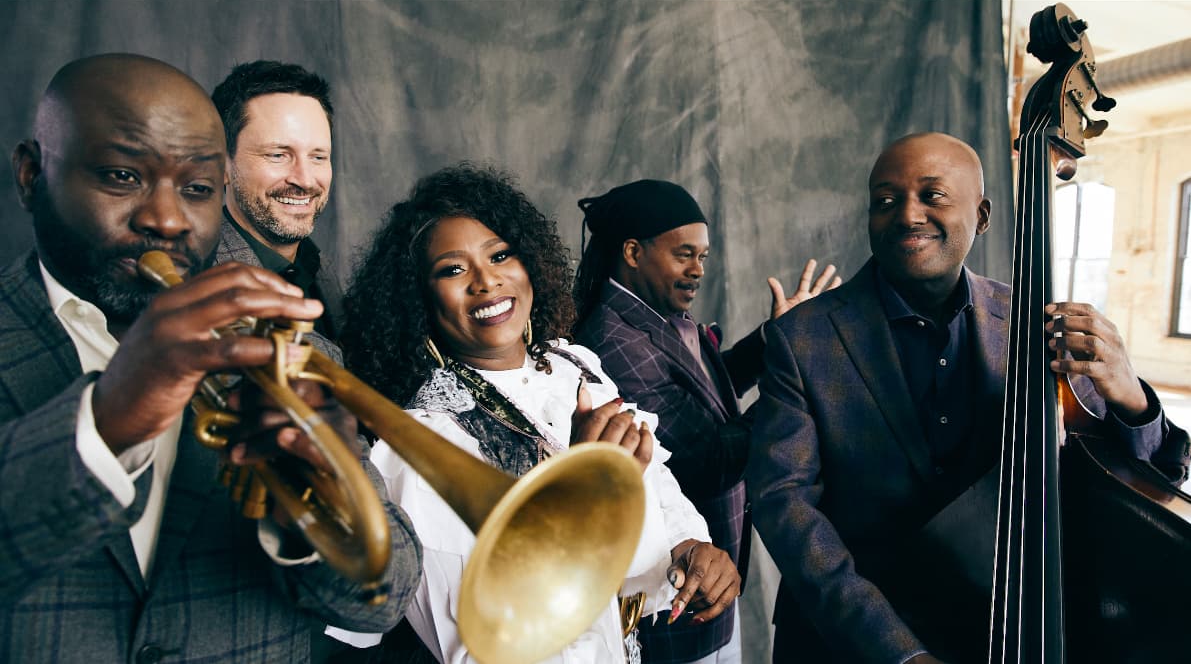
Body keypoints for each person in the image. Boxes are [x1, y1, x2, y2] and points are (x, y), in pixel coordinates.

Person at [0, 53, 422, 662]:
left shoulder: (295, 351)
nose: (167, 220)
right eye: (122, 177)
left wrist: (321, 497)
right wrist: (106, 420)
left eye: (196, 190)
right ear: (30, 175)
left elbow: (381, 601)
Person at [745, 132, 1191, 663]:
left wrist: (1130, 398)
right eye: (885, 202)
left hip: (995, 634)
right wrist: (901, 654)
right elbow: (786, 509)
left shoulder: (1035, 326)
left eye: (932, 196)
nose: (907, 215)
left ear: (980, 216)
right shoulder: (801, 337)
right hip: (845, 643)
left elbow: (1149, 479)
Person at [340, 163, 741, 663]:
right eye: (452, 269)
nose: (486, 281)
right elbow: (479, 649)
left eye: (500, 255)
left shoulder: (575, 367)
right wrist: (578, 493)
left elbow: (654, 482)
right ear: (420, 299)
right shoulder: (420, 446)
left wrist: (689, 548)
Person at [572, 179, 840, 663]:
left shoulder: (652, 313)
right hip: (674, 600)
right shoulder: (614, 340)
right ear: (633, 252)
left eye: (703, 256)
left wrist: (774, 341)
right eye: (684, 255)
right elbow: (709, 460)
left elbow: (704, 400)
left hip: (710, 584)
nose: (697, 270)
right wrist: (799, 376)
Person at [211, 60, 344, 342]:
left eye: (318, 157)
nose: (305, 180)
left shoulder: (320, 270)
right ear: (222, 166)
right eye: (278, 155)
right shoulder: (201, 287)